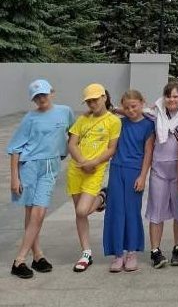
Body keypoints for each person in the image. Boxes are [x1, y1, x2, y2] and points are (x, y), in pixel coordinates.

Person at [7, 79, 75, 279]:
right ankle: (33, 256)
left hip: (50, 167)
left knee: (39, 212)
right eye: (36, 96)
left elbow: (75, 133)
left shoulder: (65, 112)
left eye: (43, 94)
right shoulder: (30, 118)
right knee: (32, 212)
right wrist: (14, 178)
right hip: (29, 166)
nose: (41, 98)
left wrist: (67, 152)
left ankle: (23, 259)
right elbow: (15, 148)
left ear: (51, 92)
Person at [67, 83, 122, 272]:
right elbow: (72, 144)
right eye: (89, 101)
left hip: (95, 171)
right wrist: (83, 161)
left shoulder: (113, 121)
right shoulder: (83, 119)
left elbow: (111, 149)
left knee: (82, 210)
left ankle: (101, 198)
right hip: (76, 169)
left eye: (95, 99)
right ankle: (86, 252)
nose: (92, 104)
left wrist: (94, 163)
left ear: (104, 98)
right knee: (79, 214)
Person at [103, 90, 155, 272]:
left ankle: (132, 252)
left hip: (135, 171)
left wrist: (143, 176)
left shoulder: (149, 125)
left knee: (132, 212)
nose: (131, 110)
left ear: (142, 103)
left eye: (134, 106)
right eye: (127, 107)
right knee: (115, 211)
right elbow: (106, 111)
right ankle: (118, 254)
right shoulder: (119, 123)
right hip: (117, 169)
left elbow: (148, 153)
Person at [146, 80, 178, 268]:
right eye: (168, 96)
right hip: (159, 169)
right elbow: (134, 109)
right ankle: (155, 251)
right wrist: (114, 109)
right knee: (155, 211)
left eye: (176, 96)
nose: (171, 100)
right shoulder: (155, 113)